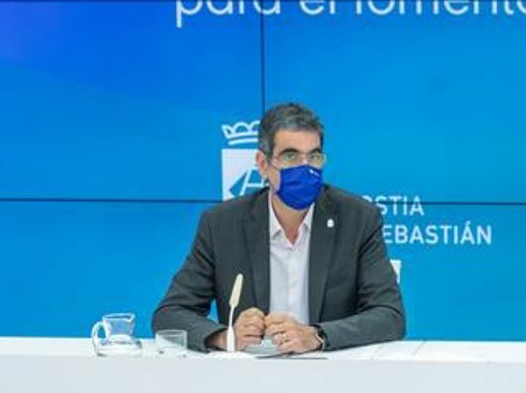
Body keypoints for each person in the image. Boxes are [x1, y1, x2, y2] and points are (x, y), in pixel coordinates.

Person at [153, 102, 405, 352]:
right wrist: (226, 336)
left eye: (314, 157)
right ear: (263, 164)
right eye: (291, 156)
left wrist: (317, 336)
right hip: (249, 373)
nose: (305, 168)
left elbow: (390, 315)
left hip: (331, 370)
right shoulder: (222, 224)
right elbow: (170, 313)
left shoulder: (358, 219)